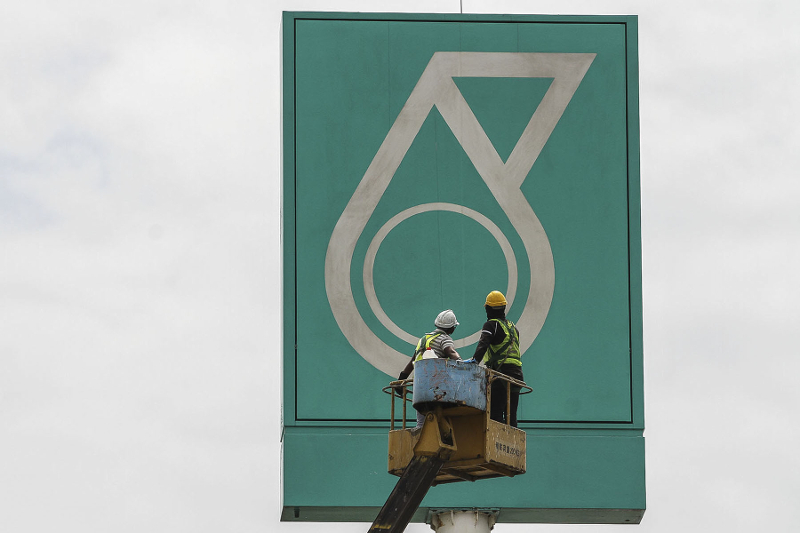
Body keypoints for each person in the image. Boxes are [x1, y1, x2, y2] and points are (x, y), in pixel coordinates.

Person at [397, 309, 462, 427]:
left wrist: (401, 379)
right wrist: (462, 364)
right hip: (436, 388)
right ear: (452, 328)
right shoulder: (445, 338)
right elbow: (451, 352)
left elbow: (412, 361)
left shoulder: (423, 339)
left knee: (422, 423)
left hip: (420, 386)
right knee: (443, 422)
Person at [469, 290, 523, 427]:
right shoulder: (513, 328)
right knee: (511, 415)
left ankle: (498, 441)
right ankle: (511, 440)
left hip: (501, 374)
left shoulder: (491, 325)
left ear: (488, 308)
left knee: (495, 414)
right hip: (517, 375)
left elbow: (483, 344)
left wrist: (474, 361)